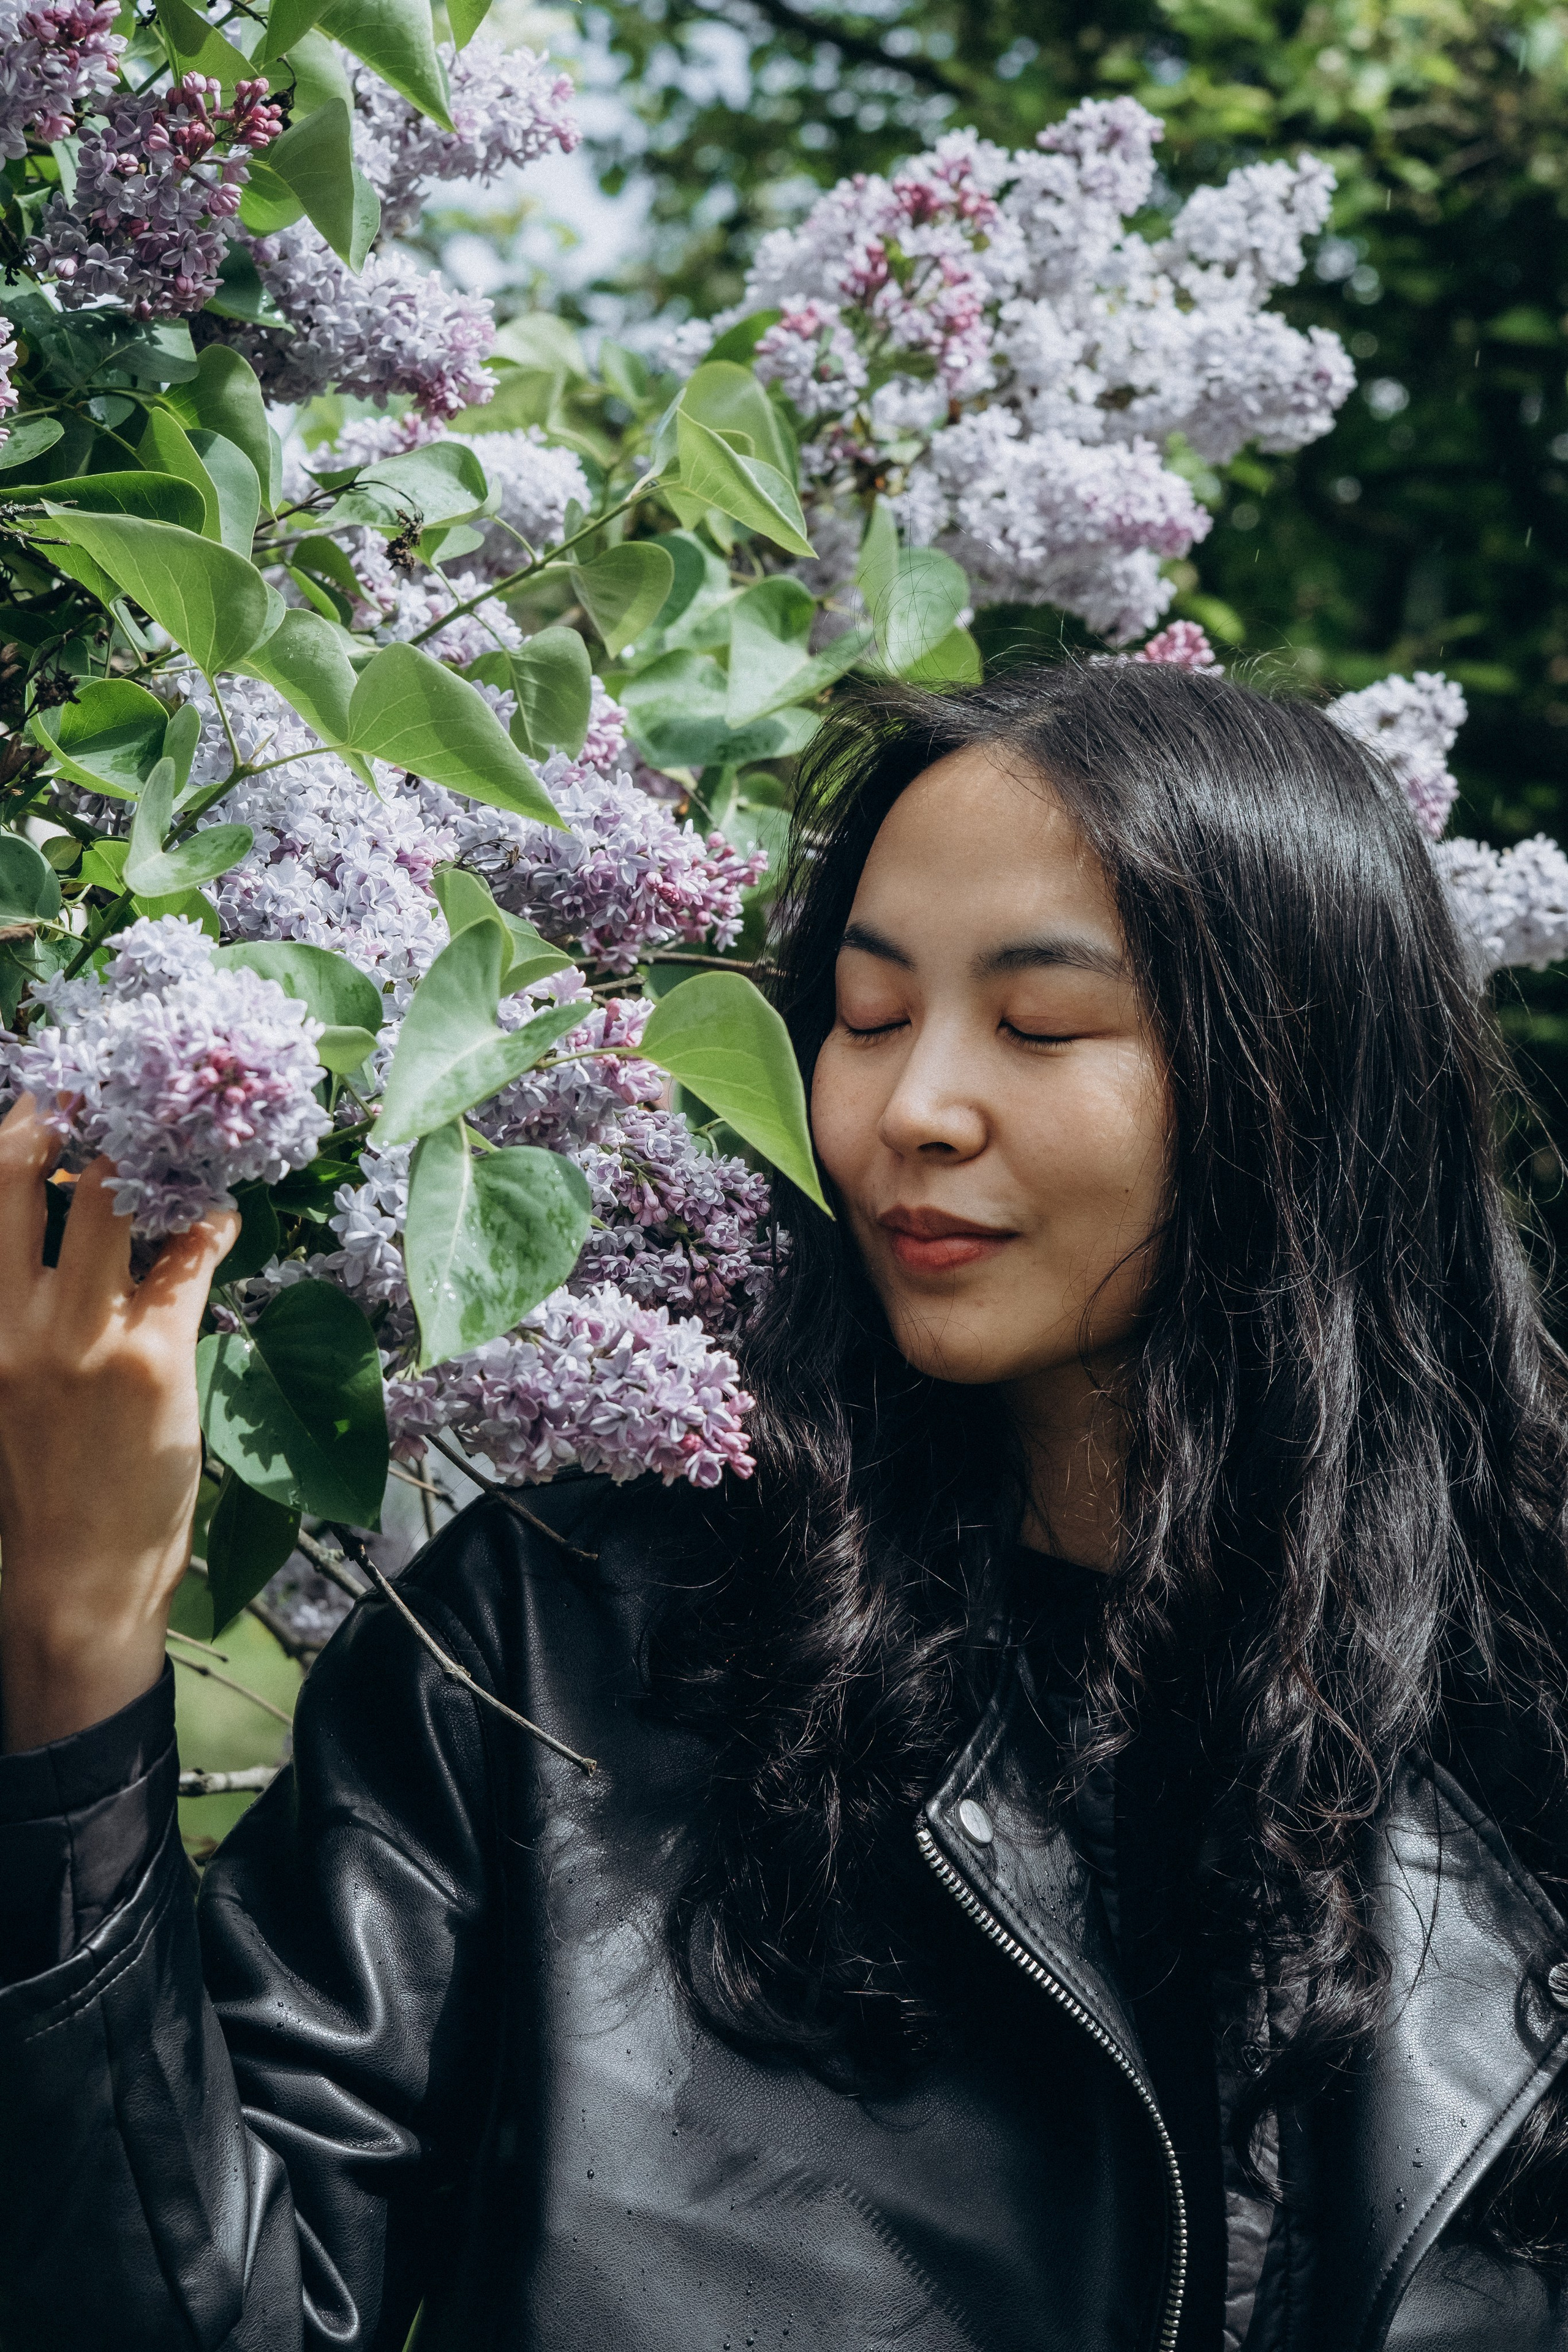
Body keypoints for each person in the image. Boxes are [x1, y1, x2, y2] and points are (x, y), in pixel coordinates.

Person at [1, 660, 1566, 2352]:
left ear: (1302, 1089)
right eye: (868, 1016)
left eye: (1041, 1026)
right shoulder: (563, 1657)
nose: (909, 1110)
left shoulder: (1524, 1720)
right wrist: (72, 1652)